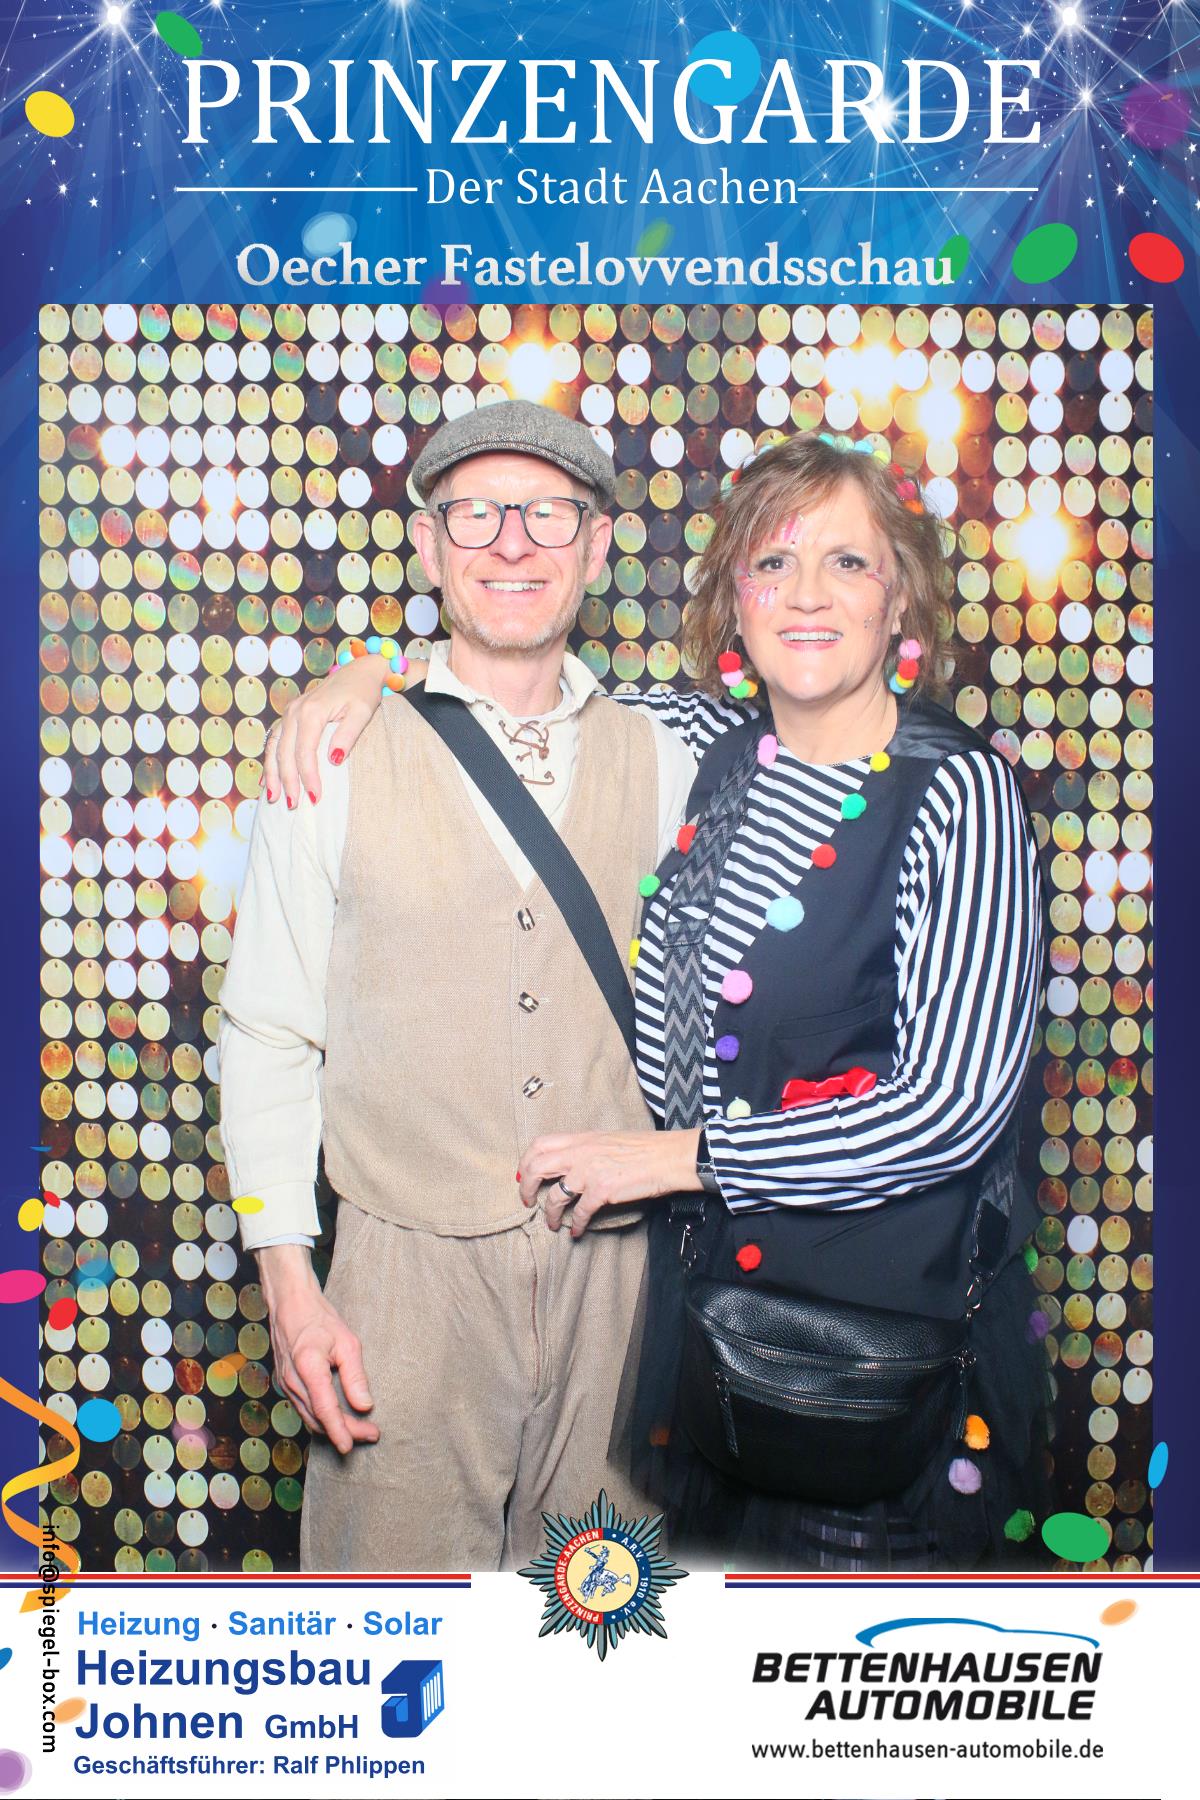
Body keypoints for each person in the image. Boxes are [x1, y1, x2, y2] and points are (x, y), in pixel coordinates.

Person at [267, 430, 1052, 1571]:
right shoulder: (703, 747)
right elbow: (508, 670)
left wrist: (678, 1159)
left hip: (876, 1373)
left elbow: (951, 1113)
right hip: (697, 1355)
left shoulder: (958, 793)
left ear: (901, 599)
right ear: (735, 598)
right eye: (773, 563)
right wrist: (364, 679)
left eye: (848, 562)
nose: (808, 595)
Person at [218, 400, 696, 1571]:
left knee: (600, 1641)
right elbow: (269, 1028)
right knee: (394, 1644)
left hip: (620, 1282)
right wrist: (291, 1285)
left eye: (548, 514)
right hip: (402, 1279)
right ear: (428, 547)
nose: (513, 543)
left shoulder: (671, 756)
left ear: (596, 545)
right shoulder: (332, 751)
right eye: (476, 514)